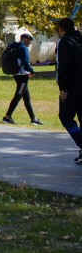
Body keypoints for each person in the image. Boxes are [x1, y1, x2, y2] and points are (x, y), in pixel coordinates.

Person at [54, 17, 82, 164]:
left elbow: (63, 66)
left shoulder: (64, 42)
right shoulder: (80, 39)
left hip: (71, 88)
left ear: (61, 29)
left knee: (65, 117)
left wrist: (62, 88)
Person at [2, 33, 44, 125]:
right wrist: (32, 71)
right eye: (29, 41)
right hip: (22, 76)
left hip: (16, 74)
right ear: (25, 40)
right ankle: (7, 117)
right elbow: (25, 61)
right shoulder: (23, 48)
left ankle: (33, 118)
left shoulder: (15, 46)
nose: (29, 44)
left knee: (26, 97)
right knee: (18, 96)